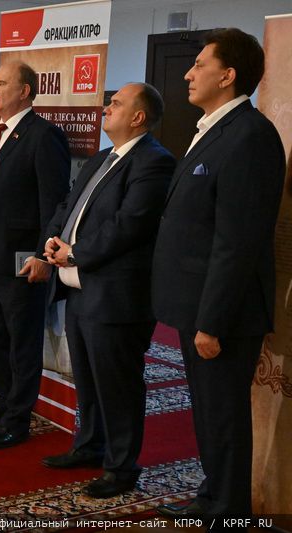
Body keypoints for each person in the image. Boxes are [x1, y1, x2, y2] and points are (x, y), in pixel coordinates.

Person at [152, 28, 285, 521]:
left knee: (224, 416)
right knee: (209, 411)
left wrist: (212, 321)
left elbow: (237, 242)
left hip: (223, 312)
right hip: (198, 302)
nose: (188, 74)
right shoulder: (214, 128)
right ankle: (212, 498)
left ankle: (229, 513)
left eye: (200, 65)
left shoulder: (249, 136)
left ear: (227, 76)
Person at [41, 83, 175, 498]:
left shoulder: (154, 161)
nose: (105, 109)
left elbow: (129, 224)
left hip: (117, 296)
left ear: (138, 117)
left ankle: (121, 467)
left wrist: (76, 253)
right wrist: (52, 240)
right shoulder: (103, 157)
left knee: (118, 385)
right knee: (88, 377)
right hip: (81, 289)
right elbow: (68, 206)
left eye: (115, 104)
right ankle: (90, 445)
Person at [0, 60, 70, 448]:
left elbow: (53, 203)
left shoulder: (44, 136)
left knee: (22, 341)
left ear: (24, 91)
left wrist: (41, 255)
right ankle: (3, 401)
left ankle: (18, 419)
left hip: (22, 258)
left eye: (1, 83)